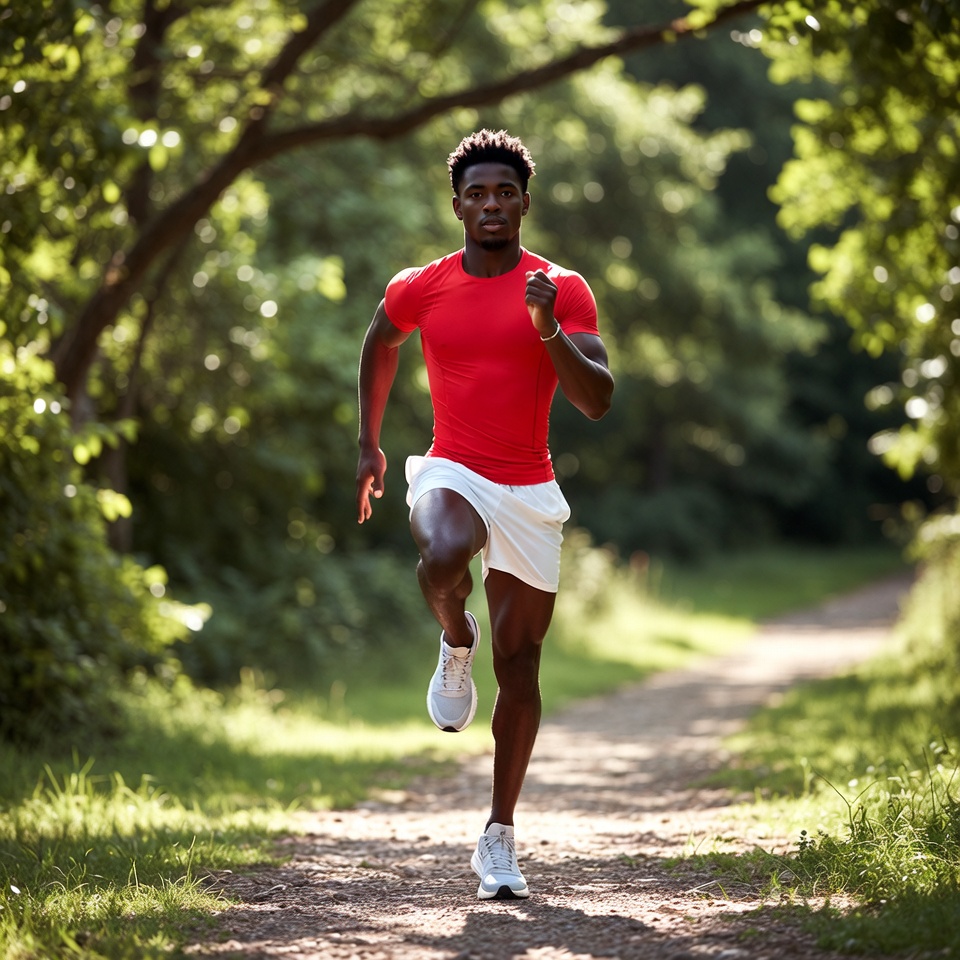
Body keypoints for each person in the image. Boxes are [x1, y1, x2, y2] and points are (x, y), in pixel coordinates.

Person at [356, 129, 614, 900]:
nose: (491, 203)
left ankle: (498, 836)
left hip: (530, 487)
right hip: (452, 466)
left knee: (523, 667)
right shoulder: (423, 285)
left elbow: (597, 399)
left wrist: (547, 330)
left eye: (505, 192)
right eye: (478, 193)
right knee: (441, 557)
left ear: (525, 203)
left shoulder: (561, 288)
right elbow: (379, 338)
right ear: (458, 204)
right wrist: (368, 445)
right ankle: (453, 638)